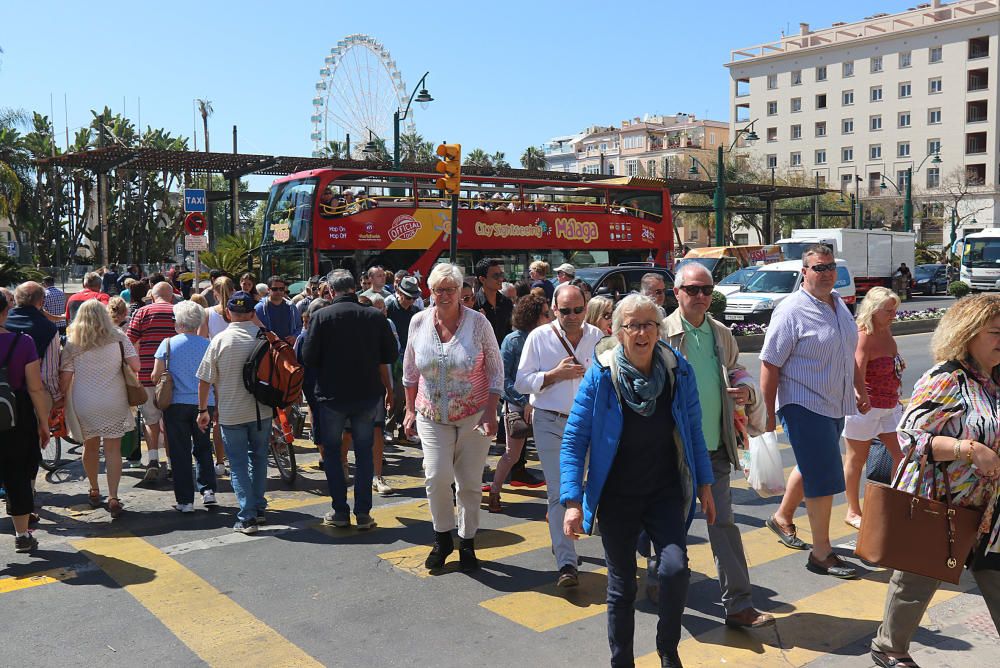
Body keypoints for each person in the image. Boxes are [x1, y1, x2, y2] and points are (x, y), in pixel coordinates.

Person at [561, 293, 715, 668]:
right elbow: (574, 438)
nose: (641, 332)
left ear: (659, 330)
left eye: (649, 324)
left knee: (675, 570)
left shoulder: (678, 371)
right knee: (622, 586)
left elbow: (693, 431)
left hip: (664, 492)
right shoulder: (601, 374)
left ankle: (667, 649)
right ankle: (622, 662)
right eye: (632, 325)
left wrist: (706, 485)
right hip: (617, 495)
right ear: (618, 332)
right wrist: (571, 501)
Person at [870, 293, 1000, 668]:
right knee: (917, 579)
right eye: (994, 332)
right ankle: (889, 648)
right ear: (969, 333)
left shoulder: (995, 378)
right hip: (943, 502)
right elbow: (909, 436)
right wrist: (968, 449)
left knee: (996, 574)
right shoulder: (946, 379)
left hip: (990, 507)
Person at [663, 263, 774, 629]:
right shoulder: (661, 332)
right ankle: (662, 586)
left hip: (714, 447)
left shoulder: (720, 333)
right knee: (670, 527)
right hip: (673, 451)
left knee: (723, 525)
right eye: (692, 290)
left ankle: (739, 605)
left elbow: (736, 368)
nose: (700, 297)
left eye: (706, 290)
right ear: (676, 291)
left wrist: (745, 388)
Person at [760, 245, 865, 579]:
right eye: (819, 268)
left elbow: (850, 352)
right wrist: (766, 412)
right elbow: (769, 363)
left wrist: (859, 389)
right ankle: (822, 553)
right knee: (823, 477)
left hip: (834, 402)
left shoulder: (839, 305)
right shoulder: (791, 310)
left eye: (831, 266)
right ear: (804, 272)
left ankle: (781, 517)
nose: (827, 273)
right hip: (803, 402)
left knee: (812, 466)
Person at [403, 263, 503, 572]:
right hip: (431, 413)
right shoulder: (418, 322)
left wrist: (490, 411)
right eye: (438, 290)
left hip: (473, 414)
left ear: (461, 292)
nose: (444, 295)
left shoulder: (478, 323)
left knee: (470, 484)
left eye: (450, 289)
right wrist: (408, 409)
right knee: (436, 477)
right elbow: (410, 370)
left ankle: (468, 541)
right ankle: (442, 537)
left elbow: (496, 370)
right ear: (429, 292)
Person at [515, 282, 605, 586]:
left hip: (590, 425)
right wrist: (554, 375)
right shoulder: (539, 338)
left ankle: (574, 539)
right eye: (565, 310)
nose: (572, 316)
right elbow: (521, 382)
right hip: (550, 423)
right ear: (554, 309)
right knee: (559, 493)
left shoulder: (598, 337)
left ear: (586, 307)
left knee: (593, 488)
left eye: (578, 310)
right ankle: (567, 563)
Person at [302, 269, 397, 530]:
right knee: (364, 452)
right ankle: (363, 513)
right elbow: (390, 353)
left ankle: (340, 511)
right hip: (366, 394)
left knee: (333, 454)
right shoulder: (374, 316)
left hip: (332, 396)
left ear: (331, 291)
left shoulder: (321, 316)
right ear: (354, 288)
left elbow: (308, 357)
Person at [196, 291, 272, 534]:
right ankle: (258, 508)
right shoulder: (265, 338)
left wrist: (202, 411)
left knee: (238, 464)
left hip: (230, 413)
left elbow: (205, 380)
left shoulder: (219, 340)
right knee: (259, 458)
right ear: (252, 313)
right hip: (262, 410)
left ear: (228, 313)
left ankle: (247, 516)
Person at [59, 299, 139, 519]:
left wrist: (58, 401)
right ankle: (113, 496)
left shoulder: (73, 342)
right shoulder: (119, 337)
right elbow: (136, 366)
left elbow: (65, 378)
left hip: (85, 401)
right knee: (113, 449)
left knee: (90, 445)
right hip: (114, 398)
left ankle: (94, 488)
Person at [842, 287, 905, 530]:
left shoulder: (886, 331)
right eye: (888, 310)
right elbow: (856, 369)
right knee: (856, 460)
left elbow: (892, 360)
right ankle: (852, 510)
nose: (893, 314)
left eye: (895, 310)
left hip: (890, 405)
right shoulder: (864, 335)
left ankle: (893, 503)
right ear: (873, 310)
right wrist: (861, 394)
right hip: (866, 408)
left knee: (902, 455)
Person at [488, 294, 552, 512]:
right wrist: (524, 401)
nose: (550, 317)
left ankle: (559, 501)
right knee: (511, 454)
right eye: (546, 313)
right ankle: (495, 492)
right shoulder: (513, 340)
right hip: (519, 405)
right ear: (533, 316)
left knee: (552, 453)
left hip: (545, 403)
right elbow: (503, 378)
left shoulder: (549, 337)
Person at [152, 301, 217, 513]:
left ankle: (185, 500)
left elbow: (155, 376)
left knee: (180, 452)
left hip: (176, 403)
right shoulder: (208, 344)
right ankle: (208, 490)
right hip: (204, 402)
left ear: (178, 321)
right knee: (203, 446)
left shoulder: (168, 344)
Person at [0, 290, 51, 552]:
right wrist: (43, 422)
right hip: (16, 414)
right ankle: (22, 535)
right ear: (5, 311)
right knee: (17, 474)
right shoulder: (23, 342)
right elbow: (35, 388)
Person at [127, 281, 178, 481]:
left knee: (151, 419)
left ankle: (154, 460)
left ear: (152, 295)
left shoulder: (142, 312)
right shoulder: (179, 311)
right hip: (175, 376)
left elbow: (129, 341)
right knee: (172, 421)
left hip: (148, 373)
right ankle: (174, 463)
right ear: (172, 296)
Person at [385, 276, 422, 442]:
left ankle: (405, 430)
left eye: (414, 298)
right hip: (394, 357)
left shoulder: (416, 313)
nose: (411, 301)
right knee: (397, 394)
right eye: (408, 297)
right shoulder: (389, 308)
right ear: (398, 293)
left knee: (413, 396)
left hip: (413, 356)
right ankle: (389, 427)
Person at [474, 258, 514, 346]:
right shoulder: (473, 305)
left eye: (501, 274)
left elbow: (509, 331)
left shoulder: (506, 302)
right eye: (496, 276)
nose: (501, 279)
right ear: (482, 279)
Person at [254, 275, 302, 345]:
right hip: (267, 349)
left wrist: (294, 336)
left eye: (281, 289)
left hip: (288, 349)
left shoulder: (291, 307)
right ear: (268, 290)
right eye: (275, 289)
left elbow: (299, 327)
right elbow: (255, 329)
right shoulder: (259, 308)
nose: (278, 291)